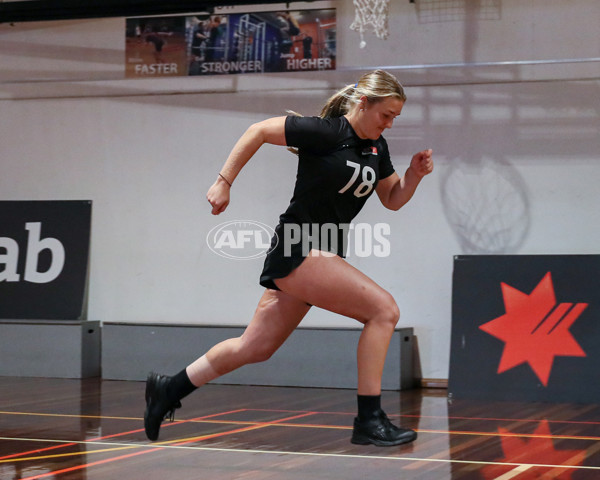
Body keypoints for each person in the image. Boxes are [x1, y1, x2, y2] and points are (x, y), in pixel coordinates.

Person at [144, 69, 434, 446]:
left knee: (255, 347)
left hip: (323, 252)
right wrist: (224, 181)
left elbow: (393, 199)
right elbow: (258, 131)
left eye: (396, 117)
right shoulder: (326, 132)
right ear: (364, 103)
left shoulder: (377, 148)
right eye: (386, 114)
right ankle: (369, 418)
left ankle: (169, 389)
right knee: (384, 311)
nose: (390, 123)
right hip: (299, 247)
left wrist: (414, 176)